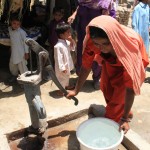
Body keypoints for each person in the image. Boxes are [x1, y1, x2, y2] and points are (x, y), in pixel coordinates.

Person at [66, 16, 149, 134]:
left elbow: (130, 89)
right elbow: (86, 66)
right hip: (112, 61)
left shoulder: (130, 48)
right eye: (97, 44)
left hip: (129, 61)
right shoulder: (92, 41)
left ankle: (112, 127)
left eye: (105, 43)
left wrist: (124, 119)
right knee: (106, 87)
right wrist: (76, 90)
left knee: (117, 101)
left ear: (114, 39)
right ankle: (125, 111)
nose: (101, 48)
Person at [67, 0, 116, 90]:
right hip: (83, 33)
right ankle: (81, 77)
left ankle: (96, 78)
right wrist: (74, 15)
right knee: (82, 55)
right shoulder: (82, 1)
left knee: (97, 56)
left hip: (96, 35)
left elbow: (108, 18)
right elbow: (79, 8)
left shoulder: (104, 2)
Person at [54, 22, 76, 96]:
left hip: (67, 63)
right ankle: (61, 90)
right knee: (61, 78)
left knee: (67, 76)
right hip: (62, 66)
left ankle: (66, 86)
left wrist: (71, 41)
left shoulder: (66, 42)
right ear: (61, 35)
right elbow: (58, 59)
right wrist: (62, 68)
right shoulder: (58, 46)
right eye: (68, 32)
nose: (70, 33)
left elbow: (72, 48)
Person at [8, 16, 29, 82]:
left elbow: (26, 43)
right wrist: (11, 48)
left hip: (21, 53)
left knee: (22, 67)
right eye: (14, 23)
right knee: (12, 65)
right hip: (14, 52)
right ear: (11, 22)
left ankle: (25, 81)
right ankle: (14, 76)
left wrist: (26, 53)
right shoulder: (9, 29)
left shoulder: (22, 32)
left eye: (18, 24)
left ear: (20, 24)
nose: (16, 25)